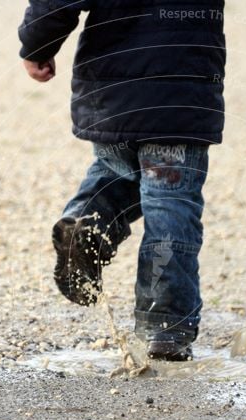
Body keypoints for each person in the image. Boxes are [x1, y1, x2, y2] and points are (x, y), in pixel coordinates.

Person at [18, 0, 226, 361]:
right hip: (181, 94)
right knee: (169, 204)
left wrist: (38, 44)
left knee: (118, 170)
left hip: (112, 91)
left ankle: (86, 222)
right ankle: (165, 329)